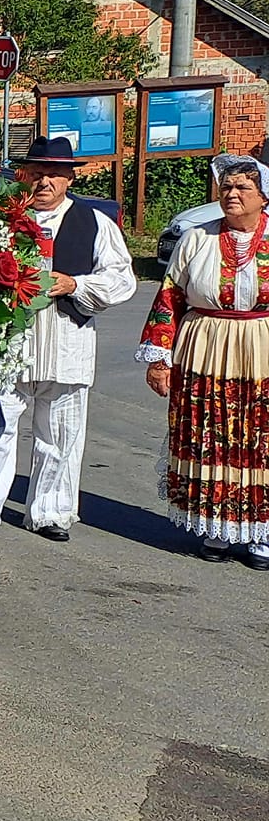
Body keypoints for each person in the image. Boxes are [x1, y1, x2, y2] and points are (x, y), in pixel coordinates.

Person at [0, 136, 137, 542]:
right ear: (24, 176)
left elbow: (122, 279)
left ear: (69, 179)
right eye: (38, 173)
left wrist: (75, 284)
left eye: (55, 175)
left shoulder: (94, 222)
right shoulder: (0, 220)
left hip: (66, 340)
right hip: (9, 341)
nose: (45, 182)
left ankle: (51, 511)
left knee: (61, 430)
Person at [139, 153, 269, 566]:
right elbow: (169, 298)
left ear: (262, 197)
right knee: (207, 429)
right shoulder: (196, 239)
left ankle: (260, 533)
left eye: (242, 188)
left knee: (259, 436)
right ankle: (214, 526)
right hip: (204, 343)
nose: (231, 194)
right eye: (226, 187)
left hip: (261, 345)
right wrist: (159, 359)